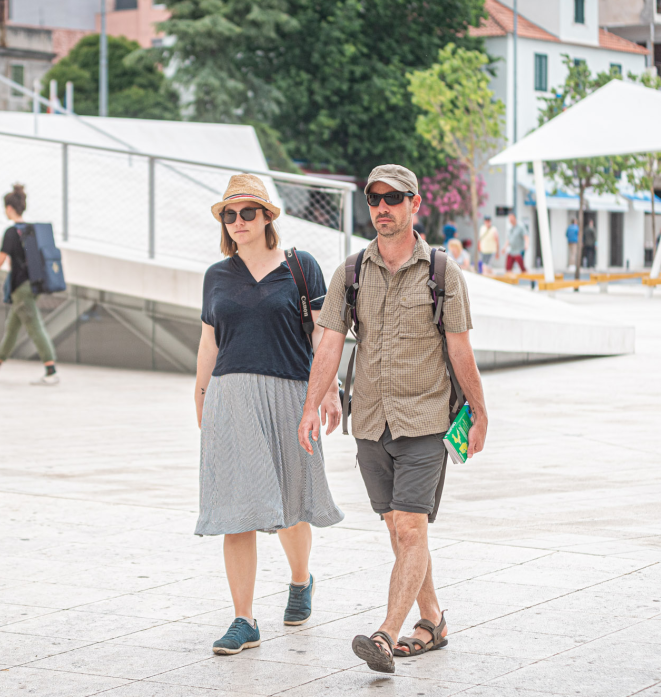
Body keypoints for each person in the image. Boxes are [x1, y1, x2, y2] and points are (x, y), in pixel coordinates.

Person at [297, 164, 488, 674]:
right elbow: (330, 343)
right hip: (371, 423)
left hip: (425, 419)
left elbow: (460, 347)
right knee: (402, 531)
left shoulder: (442, 274)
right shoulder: (351, 272)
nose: (382, 207)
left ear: (414, 204)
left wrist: (481, 411)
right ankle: (432, 620)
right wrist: (312, 405)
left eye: (393, 198)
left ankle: (385, 634)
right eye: (374, 198)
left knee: (408, 528)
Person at [195, 174, 344, 656]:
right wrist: (201, 397)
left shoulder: (301, 268)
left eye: (248, 213)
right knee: (237, 508)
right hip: (231, 397)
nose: (238, 222)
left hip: (290, 395)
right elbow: (209, 342)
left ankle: (301, 580)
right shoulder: (216, 275)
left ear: (266, 217)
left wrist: (329, 391)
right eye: (229, 215)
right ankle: (244, 619)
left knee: (289, 504)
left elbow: (324, 336)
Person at [0, 184, 59, 386]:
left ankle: (51, 372)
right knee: (12, 328)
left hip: (21, 288)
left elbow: (0, 260)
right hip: (35, 284)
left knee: (35, 327)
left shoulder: (12, 233)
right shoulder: (32, 231)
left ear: (10, 208)